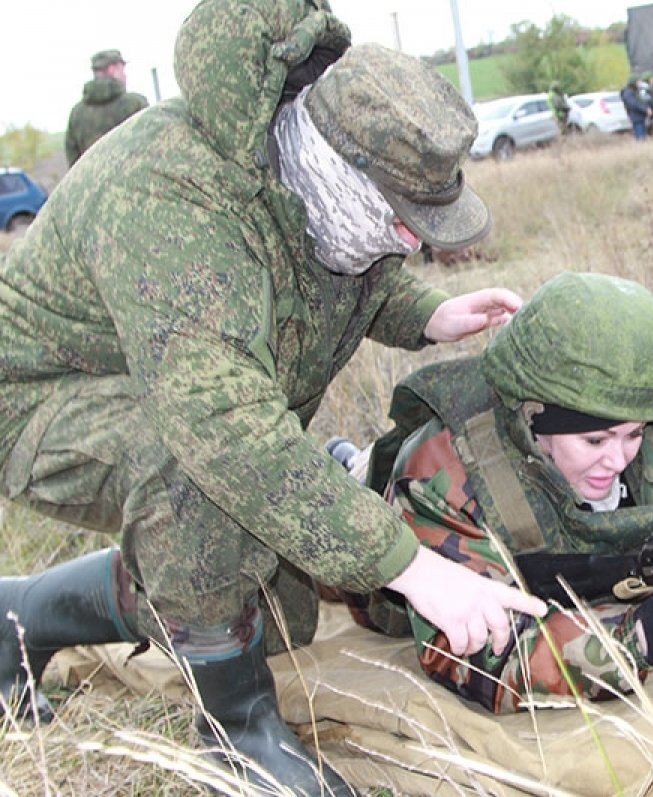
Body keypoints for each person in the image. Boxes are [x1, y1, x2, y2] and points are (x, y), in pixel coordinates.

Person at [0, 1, 545, 794]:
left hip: (162, 378)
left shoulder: (295, 157)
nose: (412, 240)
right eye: (400, 217)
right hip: (33, 397)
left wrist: (426, 314)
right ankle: (236, 733)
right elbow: (223, 427)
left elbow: (317, 250)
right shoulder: (174, 199)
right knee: (197, 478)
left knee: (272, 608)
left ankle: (14, 619)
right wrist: (412, 567)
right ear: (336, 167)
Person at [329, 272, 653, 714]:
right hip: (367, 532)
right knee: (340, 527)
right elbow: (472, 655)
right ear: (532, 419)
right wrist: (633, 642)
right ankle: (344, 458)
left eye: (633, 435)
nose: (618, 460)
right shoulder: (444, 474)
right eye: (595, 441)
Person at [64, 49, 150, 167]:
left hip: (92, 178)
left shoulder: (76, 114)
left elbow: (73, 162)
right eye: (122, 70)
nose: (125, 75)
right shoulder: (136, 104)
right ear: (112, 69)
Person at [620, 75, 653, 141]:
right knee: (640, 137)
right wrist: (645, 109)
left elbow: (642, 101)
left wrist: (647, 108)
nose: (639, 83)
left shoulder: (635, 91)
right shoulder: (628, 93)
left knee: (643, 136)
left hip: (640, 116)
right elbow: (634, 104)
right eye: (638, 82)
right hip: (636, 117)